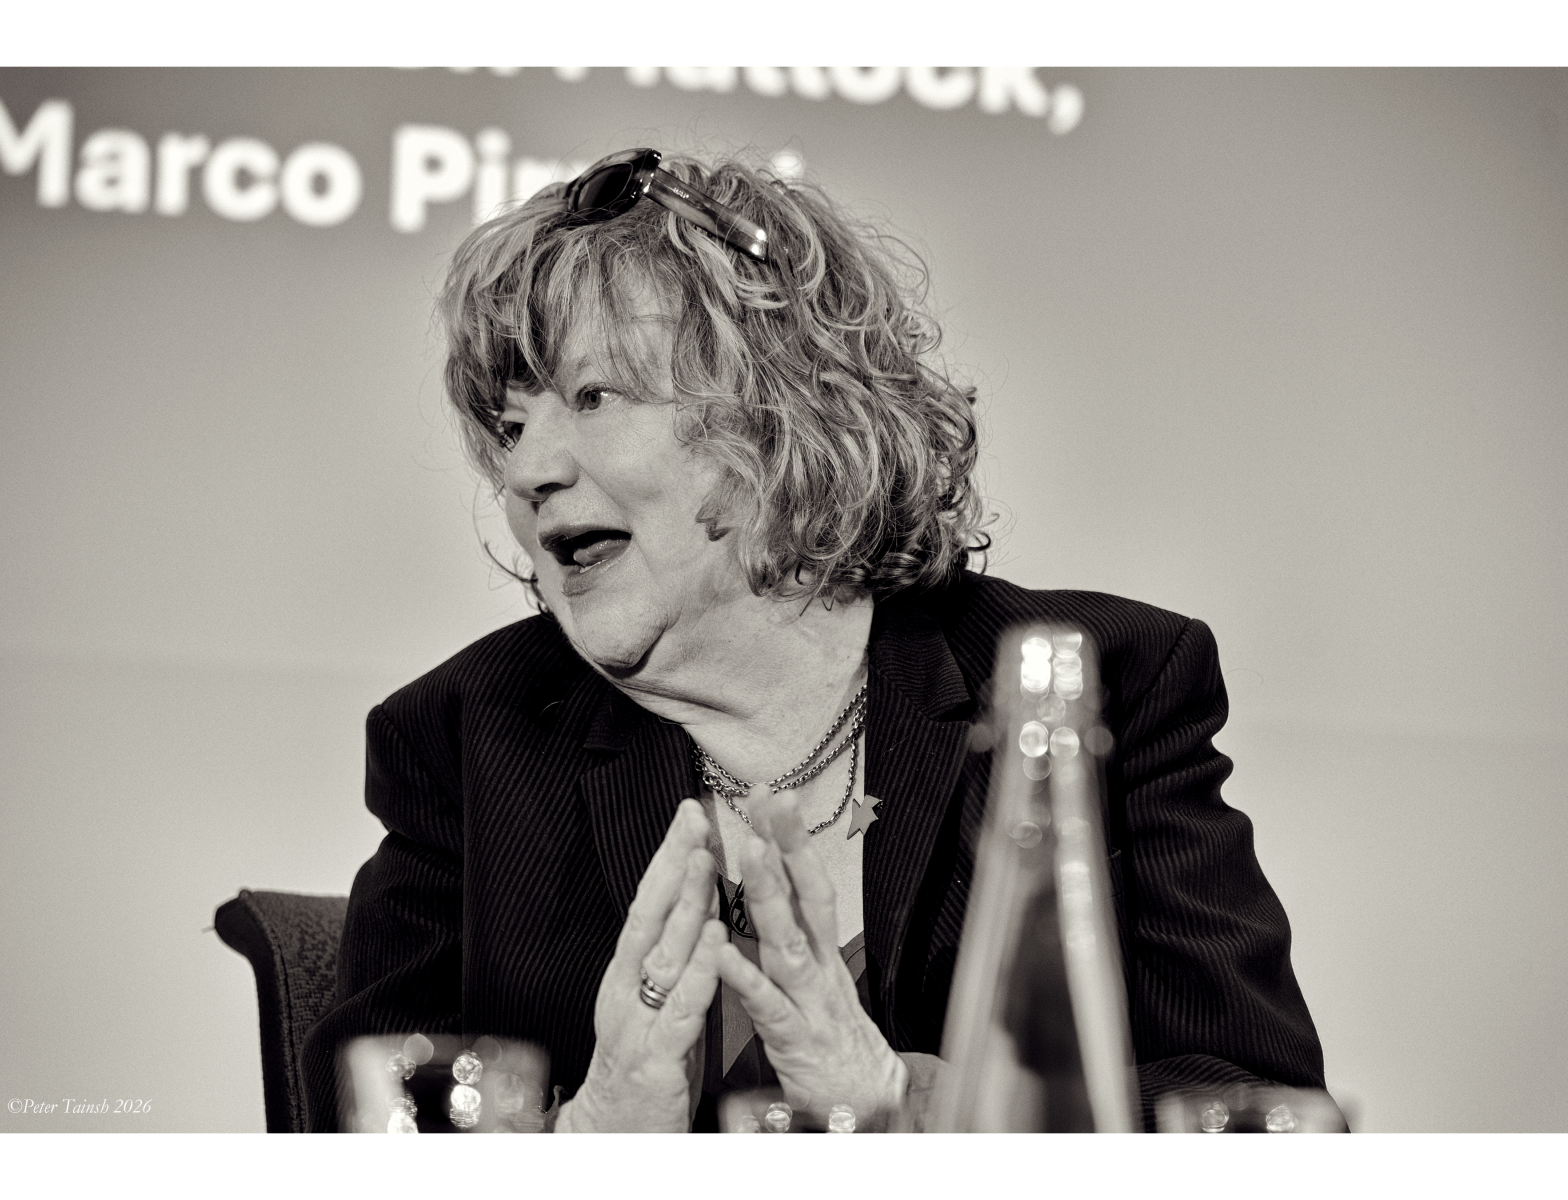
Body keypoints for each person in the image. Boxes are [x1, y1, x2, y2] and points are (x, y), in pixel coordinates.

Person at [300, 147, 1332, 1132]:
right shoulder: (466, 736)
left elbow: (1257, 1110)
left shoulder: (1093, 684)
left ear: (775, 410)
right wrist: (591, 1132)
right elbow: (362, 1139)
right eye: (511, 426)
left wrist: (912, 1111)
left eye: (593, 397)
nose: (528, 472)